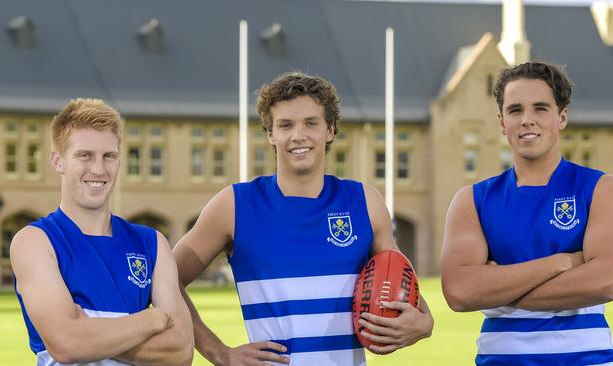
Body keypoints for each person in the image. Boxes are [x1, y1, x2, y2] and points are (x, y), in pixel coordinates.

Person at [173, 72, 433, 365]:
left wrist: (424, 324)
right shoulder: (234, 205)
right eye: (285, 125)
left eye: (311, 123)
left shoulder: (364, 201)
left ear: (330, 130)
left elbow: (400, 275)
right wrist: (218, 352)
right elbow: (166, 281)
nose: (299, 136)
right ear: (271, 134)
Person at [441, 61, 613, 365]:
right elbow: (459, 292)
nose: (527, 120)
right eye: (515, 110)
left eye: (540, 108)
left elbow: (608, 281)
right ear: (502, 121)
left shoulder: (602, 189)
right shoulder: (472, 200)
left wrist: (496, 290)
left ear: (562, 117)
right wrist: (563, 262)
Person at [10, 99, 194, 365]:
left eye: (109, 156)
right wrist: (152, 319)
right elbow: (66, 345)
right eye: (84, 155)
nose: (98, 169)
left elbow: (180, 351)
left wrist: (87, 329)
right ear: (58, 161)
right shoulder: (35, 242)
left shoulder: (152, 242)